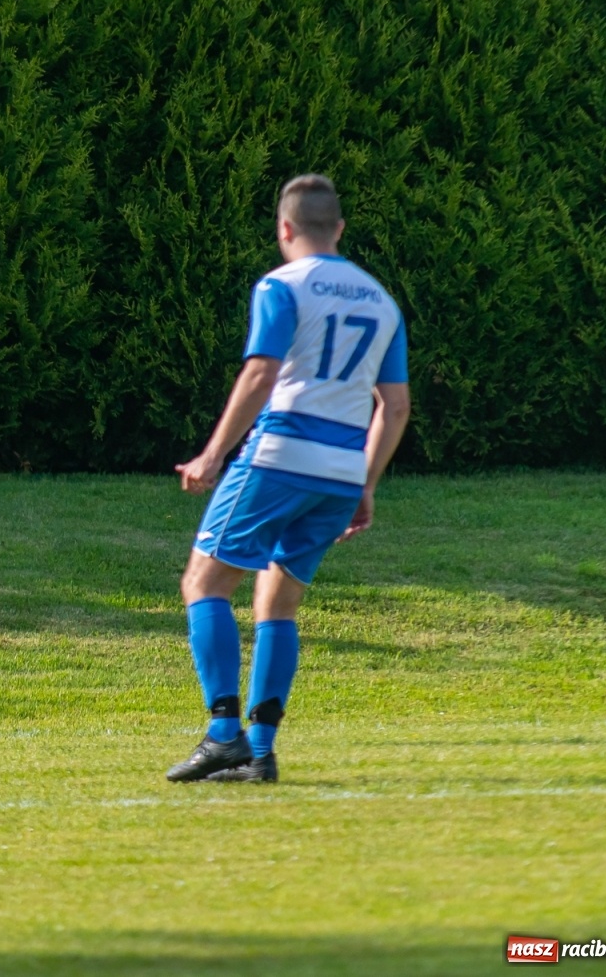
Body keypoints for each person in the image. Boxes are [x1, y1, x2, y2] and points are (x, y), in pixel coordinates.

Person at [167, 174, 410, 783]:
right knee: (279, 601)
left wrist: (213, 454)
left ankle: (224, 735)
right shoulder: (382, 301)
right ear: (340, 228)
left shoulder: (282, 285)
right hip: (340, 472)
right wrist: (366, 484)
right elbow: (395, 406)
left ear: (284, 227)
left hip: (280, 456)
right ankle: (261, 751)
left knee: (204, 583)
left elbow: (261, 374)